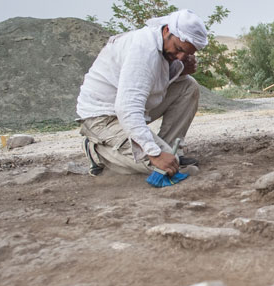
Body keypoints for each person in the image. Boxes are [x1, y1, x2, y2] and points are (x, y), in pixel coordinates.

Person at [76, 9, 207, 177]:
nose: (180, 57)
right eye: (178, 49)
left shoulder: (162, 46)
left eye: (186, 53)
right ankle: (98, 153)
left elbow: (153, 82)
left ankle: (170, 150)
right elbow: (128, 108)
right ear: (167, 30)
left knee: (188, 86)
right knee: (162, 168)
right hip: (103, 118)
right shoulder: (143, 51)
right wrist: (154, 153)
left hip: (126, 108)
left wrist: (180, 69)